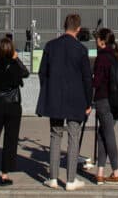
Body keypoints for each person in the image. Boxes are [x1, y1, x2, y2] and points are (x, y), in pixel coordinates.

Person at [36, 13, 92, 190]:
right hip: (76, 99)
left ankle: (52, 178)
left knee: (55, 135)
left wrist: (48, 90)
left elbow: (42, 73)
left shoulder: (50, 46)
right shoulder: (81, 50)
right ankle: (70, 180)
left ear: (64, 26)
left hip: (55, 98)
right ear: (78, 29)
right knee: (73, 138)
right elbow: (87, 78)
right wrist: (88, 102)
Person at [86, 28, 118, 184]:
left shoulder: (102, 58)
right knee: (102, 134)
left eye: (97, 40)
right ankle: (100, 172)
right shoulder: (117, 55)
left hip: (103, 100)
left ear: (102, 42)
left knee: (108, 135)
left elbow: (97, 81)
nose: (95, 43)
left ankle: (116, 172)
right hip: (117, 102)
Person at [0, 34, 30, 185]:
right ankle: (4, 174)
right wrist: (16, 58)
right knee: (10, 140)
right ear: (11, 51)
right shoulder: (15, 65)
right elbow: (26, 73)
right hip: (13, 105)